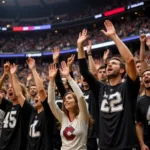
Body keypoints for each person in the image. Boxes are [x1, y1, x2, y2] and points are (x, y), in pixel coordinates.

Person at [77, 20, 140, 149]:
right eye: (109, 63)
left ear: (122, 70)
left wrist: (114, 37)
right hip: (104, 145)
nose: (109, 64)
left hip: (125, 145)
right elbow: (84, 71)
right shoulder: (100, 87)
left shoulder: (128, 87)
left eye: (114, 63)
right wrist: (80, 47)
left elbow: (130, 60)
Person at [48, 62, 90, 150]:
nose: (66, 100)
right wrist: (51, 81)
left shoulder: (83, 117)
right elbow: (51, 102)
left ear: (76, 102)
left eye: (69, 98)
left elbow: (81, 97)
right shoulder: (63, 118)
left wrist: (68, 77)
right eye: (65, 99)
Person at [0, 63, 32, 150]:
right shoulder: (8, 105)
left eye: (12, 87)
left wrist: (12, 75)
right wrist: (5, 74)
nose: (9, 89)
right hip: (3, 146)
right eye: (9, 87)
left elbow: (18, 94)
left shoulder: (26, 108)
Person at [26, 57, 54, 150]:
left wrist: (33, 69)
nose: (36, 97)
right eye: (35, 96)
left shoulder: (48, 112)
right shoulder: (33, 112)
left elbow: (41, 90)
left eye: (39, 96)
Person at [136, 68, 150, 150]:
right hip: (147, 144)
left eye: (148, 74)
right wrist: (142, 144)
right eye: (144, 75)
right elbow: (138, 124)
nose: (146, 76)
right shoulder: (140, 101)